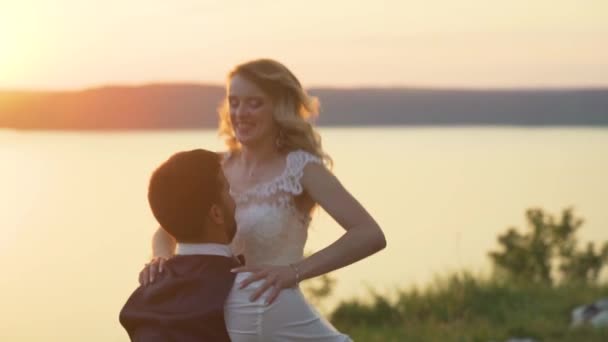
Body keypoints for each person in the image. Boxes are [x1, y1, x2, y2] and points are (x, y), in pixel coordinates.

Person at [144, 59, 387, 341]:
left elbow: (369, 234)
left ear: (279, 108)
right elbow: (168, 228)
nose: (240, 113)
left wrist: (294, 272)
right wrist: (162, 260)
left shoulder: (302, 168)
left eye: (254, 103)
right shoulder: (215, 167)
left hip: (276, 310)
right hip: (212, 316)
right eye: (234, 102)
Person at [120, 149, 238, 341]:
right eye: (230, 189)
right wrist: (162, 257)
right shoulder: (248, 295)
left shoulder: (140, 303)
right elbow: (178, 216)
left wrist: (294, 271)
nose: (237, 196)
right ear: (216, 214)